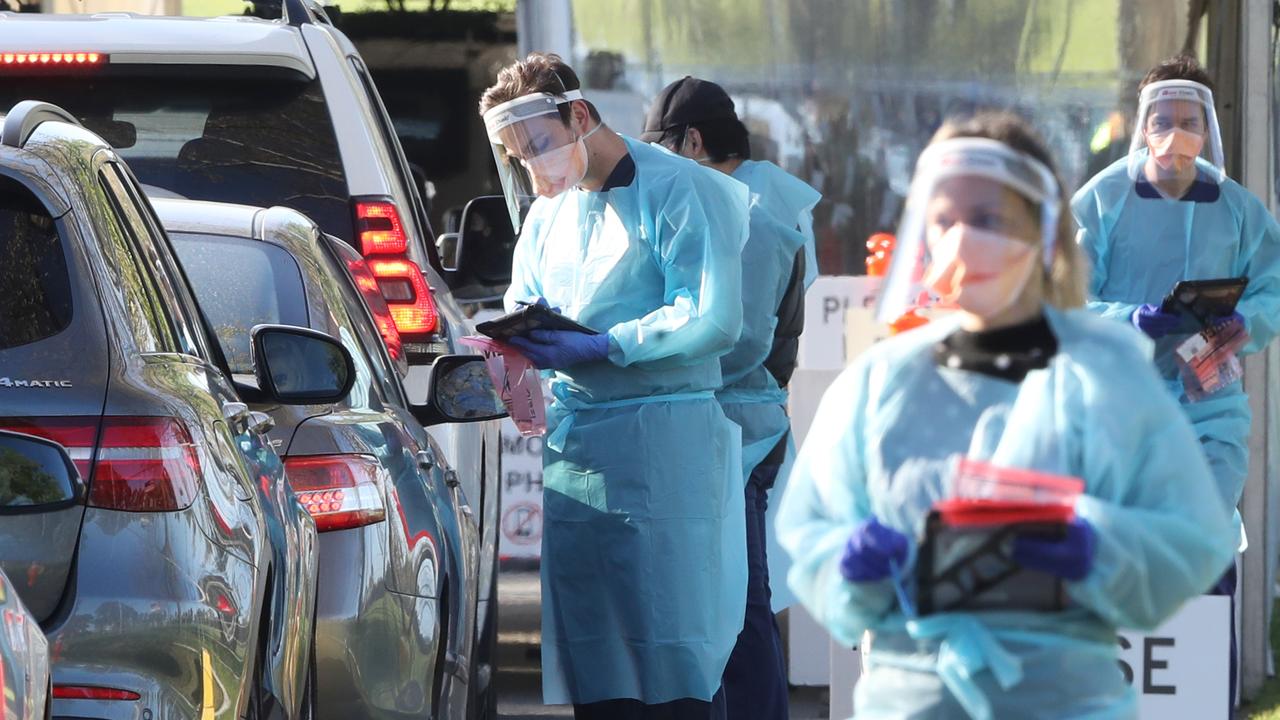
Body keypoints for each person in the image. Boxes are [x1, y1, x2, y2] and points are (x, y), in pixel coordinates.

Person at [778, 112, 1236, 719]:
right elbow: (811, 532)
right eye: (945, 220)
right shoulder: (880, 383)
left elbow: (1194, 537)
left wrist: (1100, 548)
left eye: (989, 220)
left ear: (1044, 235)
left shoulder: (1104, 375)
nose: (962, 240)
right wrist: (849, 563)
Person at [479, 53, 750, 720]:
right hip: (579, 455)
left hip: (667, 447)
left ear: (580, 115)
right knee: (598, 660)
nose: (534, 168)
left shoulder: (680, 191)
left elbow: (711, 315)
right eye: (519, 156)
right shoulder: (549, 214)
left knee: (675, 655)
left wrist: (610, 344)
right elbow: (525, 297)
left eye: (538, 146)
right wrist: (512, 344)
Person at [1072, 54, 1280, 705]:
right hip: (1117, 414)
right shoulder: (1102, 200)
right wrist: (1133, 319)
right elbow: (1065, 296)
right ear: (1142, 123)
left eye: (1188, 120)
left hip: (1209, 413)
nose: (1175, 132)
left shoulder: (1239, 209)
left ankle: (1208, 702)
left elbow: (1273, 290)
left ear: (1208, 124)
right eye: (1162, 118)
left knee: (1205, 554)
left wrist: (1231, 330)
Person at [640, 75, 820, 720]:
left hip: (732, 425)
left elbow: (732, 341)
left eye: (661, 150)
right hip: (748, 417)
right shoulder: (769, 195)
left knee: (736, 609)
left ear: (692, 140)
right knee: (736, 602)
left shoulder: (743, 210)